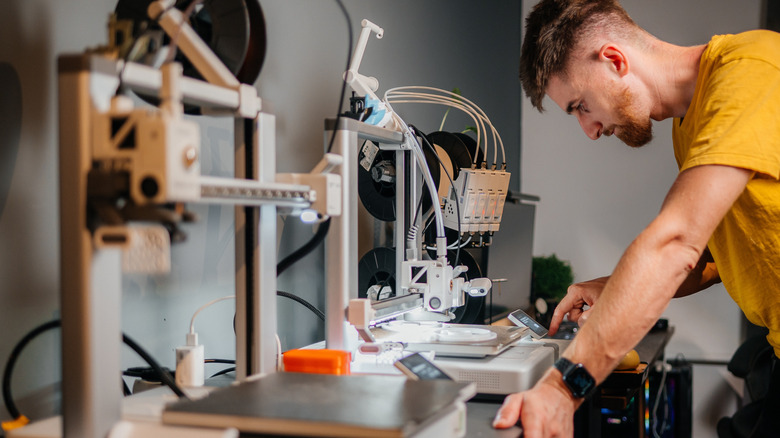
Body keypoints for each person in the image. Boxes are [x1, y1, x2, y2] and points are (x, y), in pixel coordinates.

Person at [492, 0, 780, 436]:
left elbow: (675, 244)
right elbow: (711, 258)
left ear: (614, 59)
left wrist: (562, 388)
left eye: (580, 106)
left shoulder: (751, 69)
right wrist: (613, 290)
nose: (589, 130)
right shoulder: (690, 128)